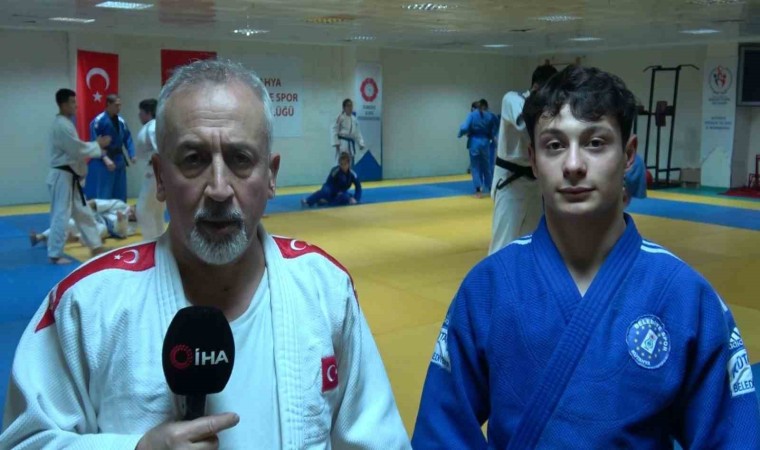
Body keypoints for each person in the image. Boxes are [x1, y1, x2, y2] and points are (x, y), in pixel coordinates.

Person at [1, 59, 410, 449]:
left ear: (271, 176)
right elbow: (23, 440)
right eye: (194, 160)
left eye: (240, 160)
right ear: (160, 177)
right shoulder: (87, 304)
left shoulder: (326, 291)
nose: (218, 188)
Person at [412, 65, 760, 448]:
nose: (574, 165)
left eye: (595, 143)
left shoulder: (684, 295)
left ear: (629, 155)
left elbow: (734, 437)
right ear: (533, 159)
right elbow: (441, 433)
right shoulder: (488, 288)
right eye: (554, 145)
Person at [488, 63, 558, 254]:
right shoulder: (512, 99)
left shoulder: (549, 112)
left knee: (533, 240)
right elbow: (526, 126)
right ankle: (495, 274)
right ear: (536, 87)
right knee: (504, 242)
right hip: (510, 183)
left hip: (535, 184)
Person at [43, 88, 111, 265]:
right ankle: (54, 254)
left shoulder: (66, 123)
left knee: (83, 212)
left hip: (69, 177)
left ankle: (95, 246)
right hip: (62, 177)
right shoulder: (61, 125)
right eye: (73, 102)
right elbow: (76, 149)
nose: (76, 105)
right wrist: (97, 145)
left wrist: (94, 147)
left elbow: (76, 149)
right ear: (63, 104)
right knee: (61, 214)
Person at [84, 94, 136, 202]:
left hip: (119, 159)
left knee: (120, 194)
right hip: (104, 161)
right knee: (104, 194)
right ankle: (104, 213)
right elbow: (95, 143)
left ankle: (120, 212)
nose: (119, 108)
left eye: (120, 105)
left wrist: (132, 154)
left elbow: (128, 138)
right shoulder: (98, 121)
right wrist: (105, 159)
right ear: (108, 104)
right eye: (116, 105)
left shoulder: (121, 121)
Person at [31, 198, 136, 246]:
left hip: (105, 227)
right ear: (131, 206)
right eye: (132, 211)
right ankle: (40, 237)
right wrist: (80, 207)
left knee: (100, 230)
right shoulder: (120, 204)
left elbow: (120, 233)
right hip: (94, 217)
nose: (131, 214)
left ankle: (76, 238)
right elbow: (97, 203)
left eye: (134, 216)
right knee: (69, 223)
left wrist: (121, 220)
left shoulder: (133, 227)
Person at [134, 98, 166, 240]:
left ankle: (150, 242)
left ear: (147, 113)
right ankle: (160, 241)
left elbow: (160, 150)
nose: (139, 115)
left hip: (154, 173)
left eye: (141, 112)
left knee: (143, 210)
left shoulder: (152, 127)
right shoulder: (156, 126)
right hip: (156, 172)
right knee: (156, 211)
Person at [458, 101, 496, 198]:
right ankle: (491, 188)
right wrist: (491, 137)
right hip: (485, 142)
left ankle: (478, 190)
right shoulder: (490, 115)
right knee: (486, 166)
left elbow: (465, 127)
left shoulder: (472, 115)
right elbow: (493, 128)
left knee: (475, 167)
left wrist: (460, 133)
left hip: (474, 141)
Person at [331, 98, 365, 163]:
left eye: (351, 106)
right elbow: (334, 129)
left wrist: (361, 143)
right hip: (342, 143)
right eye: (348, 106)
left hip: (351, 144)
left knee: (350, 162)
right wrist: (336, 143)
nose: (350, 108)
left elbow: (357, 132)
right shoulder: (340, 117)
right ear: (344, 108)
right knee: (342, 161)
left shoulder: (354, 119)